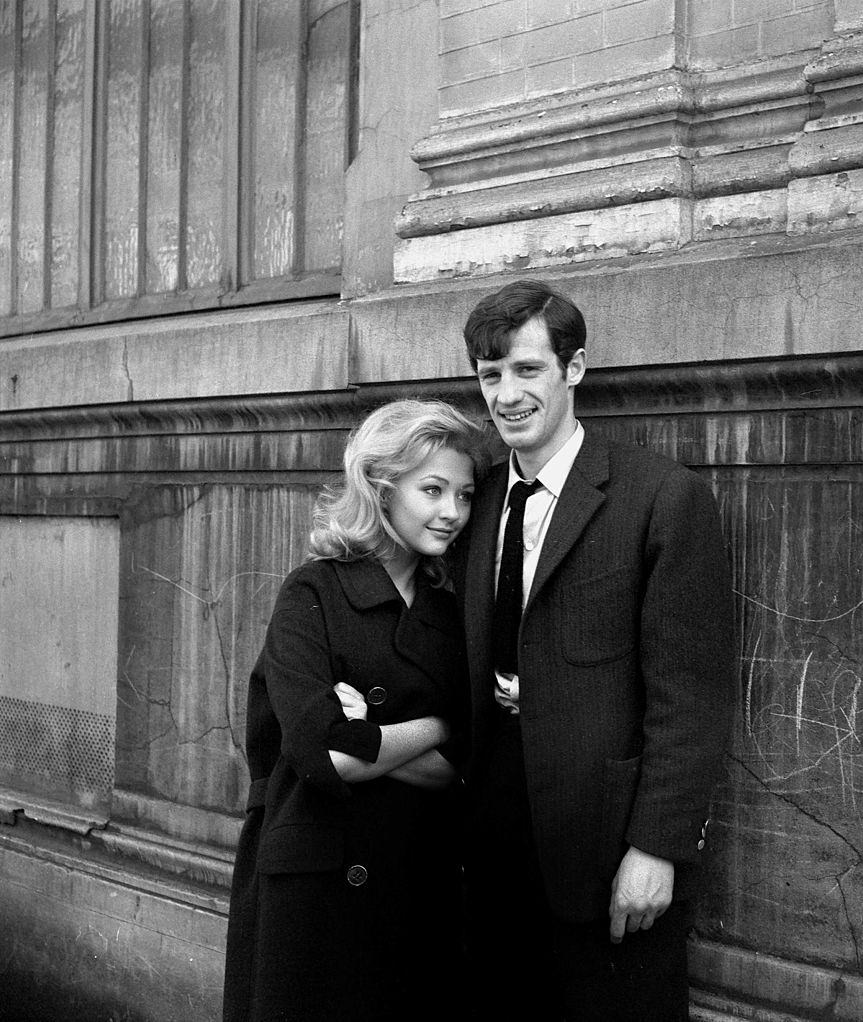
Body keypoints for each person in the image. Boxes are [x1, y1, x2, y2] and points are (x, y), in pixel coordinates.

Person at [455, 280, 736, 1021]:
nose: (507, 394)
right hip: (488, 849)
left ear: (574, 368)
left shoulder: (661, 498)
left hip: (607, 856)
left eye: (527, 370)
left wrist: (657, 849)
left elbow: (691, 695)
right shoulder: (474, 500)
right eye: (491, 375)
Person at [222, 399, 488, 1022]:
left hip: (415, 878)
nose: (452, 512)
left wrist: (377, 734)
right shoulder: (313, 591)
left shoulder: (451, 613)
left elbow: (458, 768)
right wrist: (440, 724)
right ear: (380, 487)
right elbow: (330, 758)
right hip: (314, 884)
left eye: (465, 495)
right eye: (432, 489)